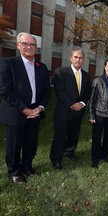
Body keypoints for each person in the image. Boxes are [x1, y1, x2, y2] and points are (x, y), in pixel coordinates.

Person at [0, 32, 50, 183]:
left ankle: (27, 167)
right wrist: (24, 109)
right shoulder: (8, 63)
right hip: (16, 112)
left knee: (30, 143)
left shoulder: (42, 67)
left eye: (32, 45)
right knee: (14, 145)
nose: (29, 47)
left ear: (36, 48)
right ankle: (14, 171)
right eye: (25, 44)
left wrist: (40, 107)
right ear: (18, 45)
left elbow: (47, 91)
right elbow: (5, 90)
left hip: (35, 112)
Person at [49, 48, 91, 170]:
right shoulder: (61, 72)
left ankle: (69, 153)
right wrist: (73, 104)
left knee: (74, 135)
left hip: (78, 112)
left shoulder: (86, 75)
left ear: (83, 60)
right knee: (60, 137)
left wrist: (82, 104)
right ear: (71, 58)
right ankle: (56, 159)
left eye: (80, 58)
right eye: (76, 57)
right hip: (63, 111)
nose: (78, 60)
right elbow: (60, 91)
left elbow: (88, 93)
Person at [88, 58, 108, 168]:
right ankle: (95, 159)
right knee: (96, 138)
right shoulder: (98, 80)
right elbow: (92, 99)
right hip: (99, 114)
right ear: (105, 67)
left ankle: (104, 155)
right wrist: (91, 115)